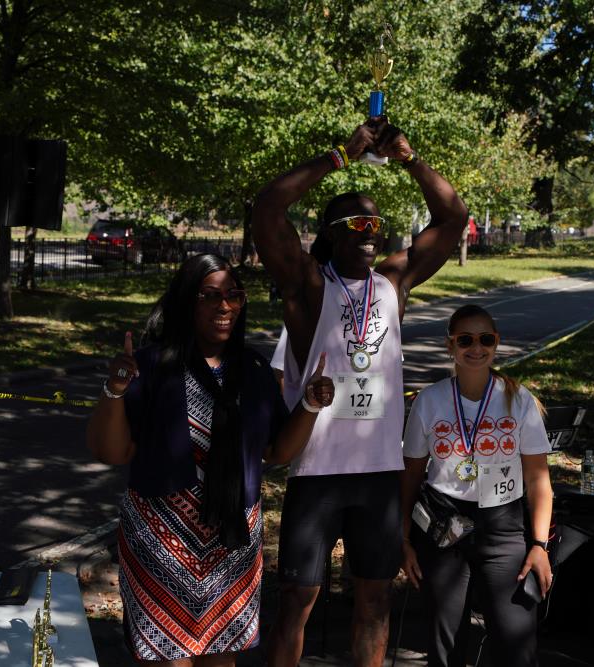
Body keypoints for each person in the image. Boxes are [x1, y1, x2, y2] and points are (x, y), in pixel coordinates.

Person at [252, 120, 468, 667]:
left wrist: (409, 159)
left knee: (375, 602)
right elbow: (268, 209)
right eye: (358, 223)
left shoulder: (393, 281)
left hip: (379, 475)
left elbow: (453, 218)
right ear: (331, 234)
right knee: (297, 602)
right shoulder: (308, 285)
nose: (372, 232)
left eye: (377, 223)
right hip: (317, 473)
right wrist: (337, 157)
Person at [85, 253, 334, 665]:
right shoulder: (151, 365)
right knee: (168, 658)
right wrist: (115, 388)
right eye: (210, 295)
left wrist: (309, 404)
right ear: (186, 300)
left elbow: (276, 451)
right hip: (160, 542)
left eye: (234, 295)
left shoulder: (252, 368)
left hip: (232, 546)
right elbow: (111, 451)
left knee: (221, 659)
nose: (225, 306)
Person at [399, 304, 553, 667]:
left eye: (486, 339)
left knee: (516, 645)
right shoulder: (429, 400)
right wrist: (402, 538)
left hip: (503, 526)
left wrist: (539, 545)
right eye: (465, 340)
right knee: (446, 646)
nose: (476, 347)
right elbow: (410, 476)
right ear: (450, 345)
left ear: (496, 343)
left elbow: (538, 481)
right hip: (444, 527)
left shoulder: (519, 399)